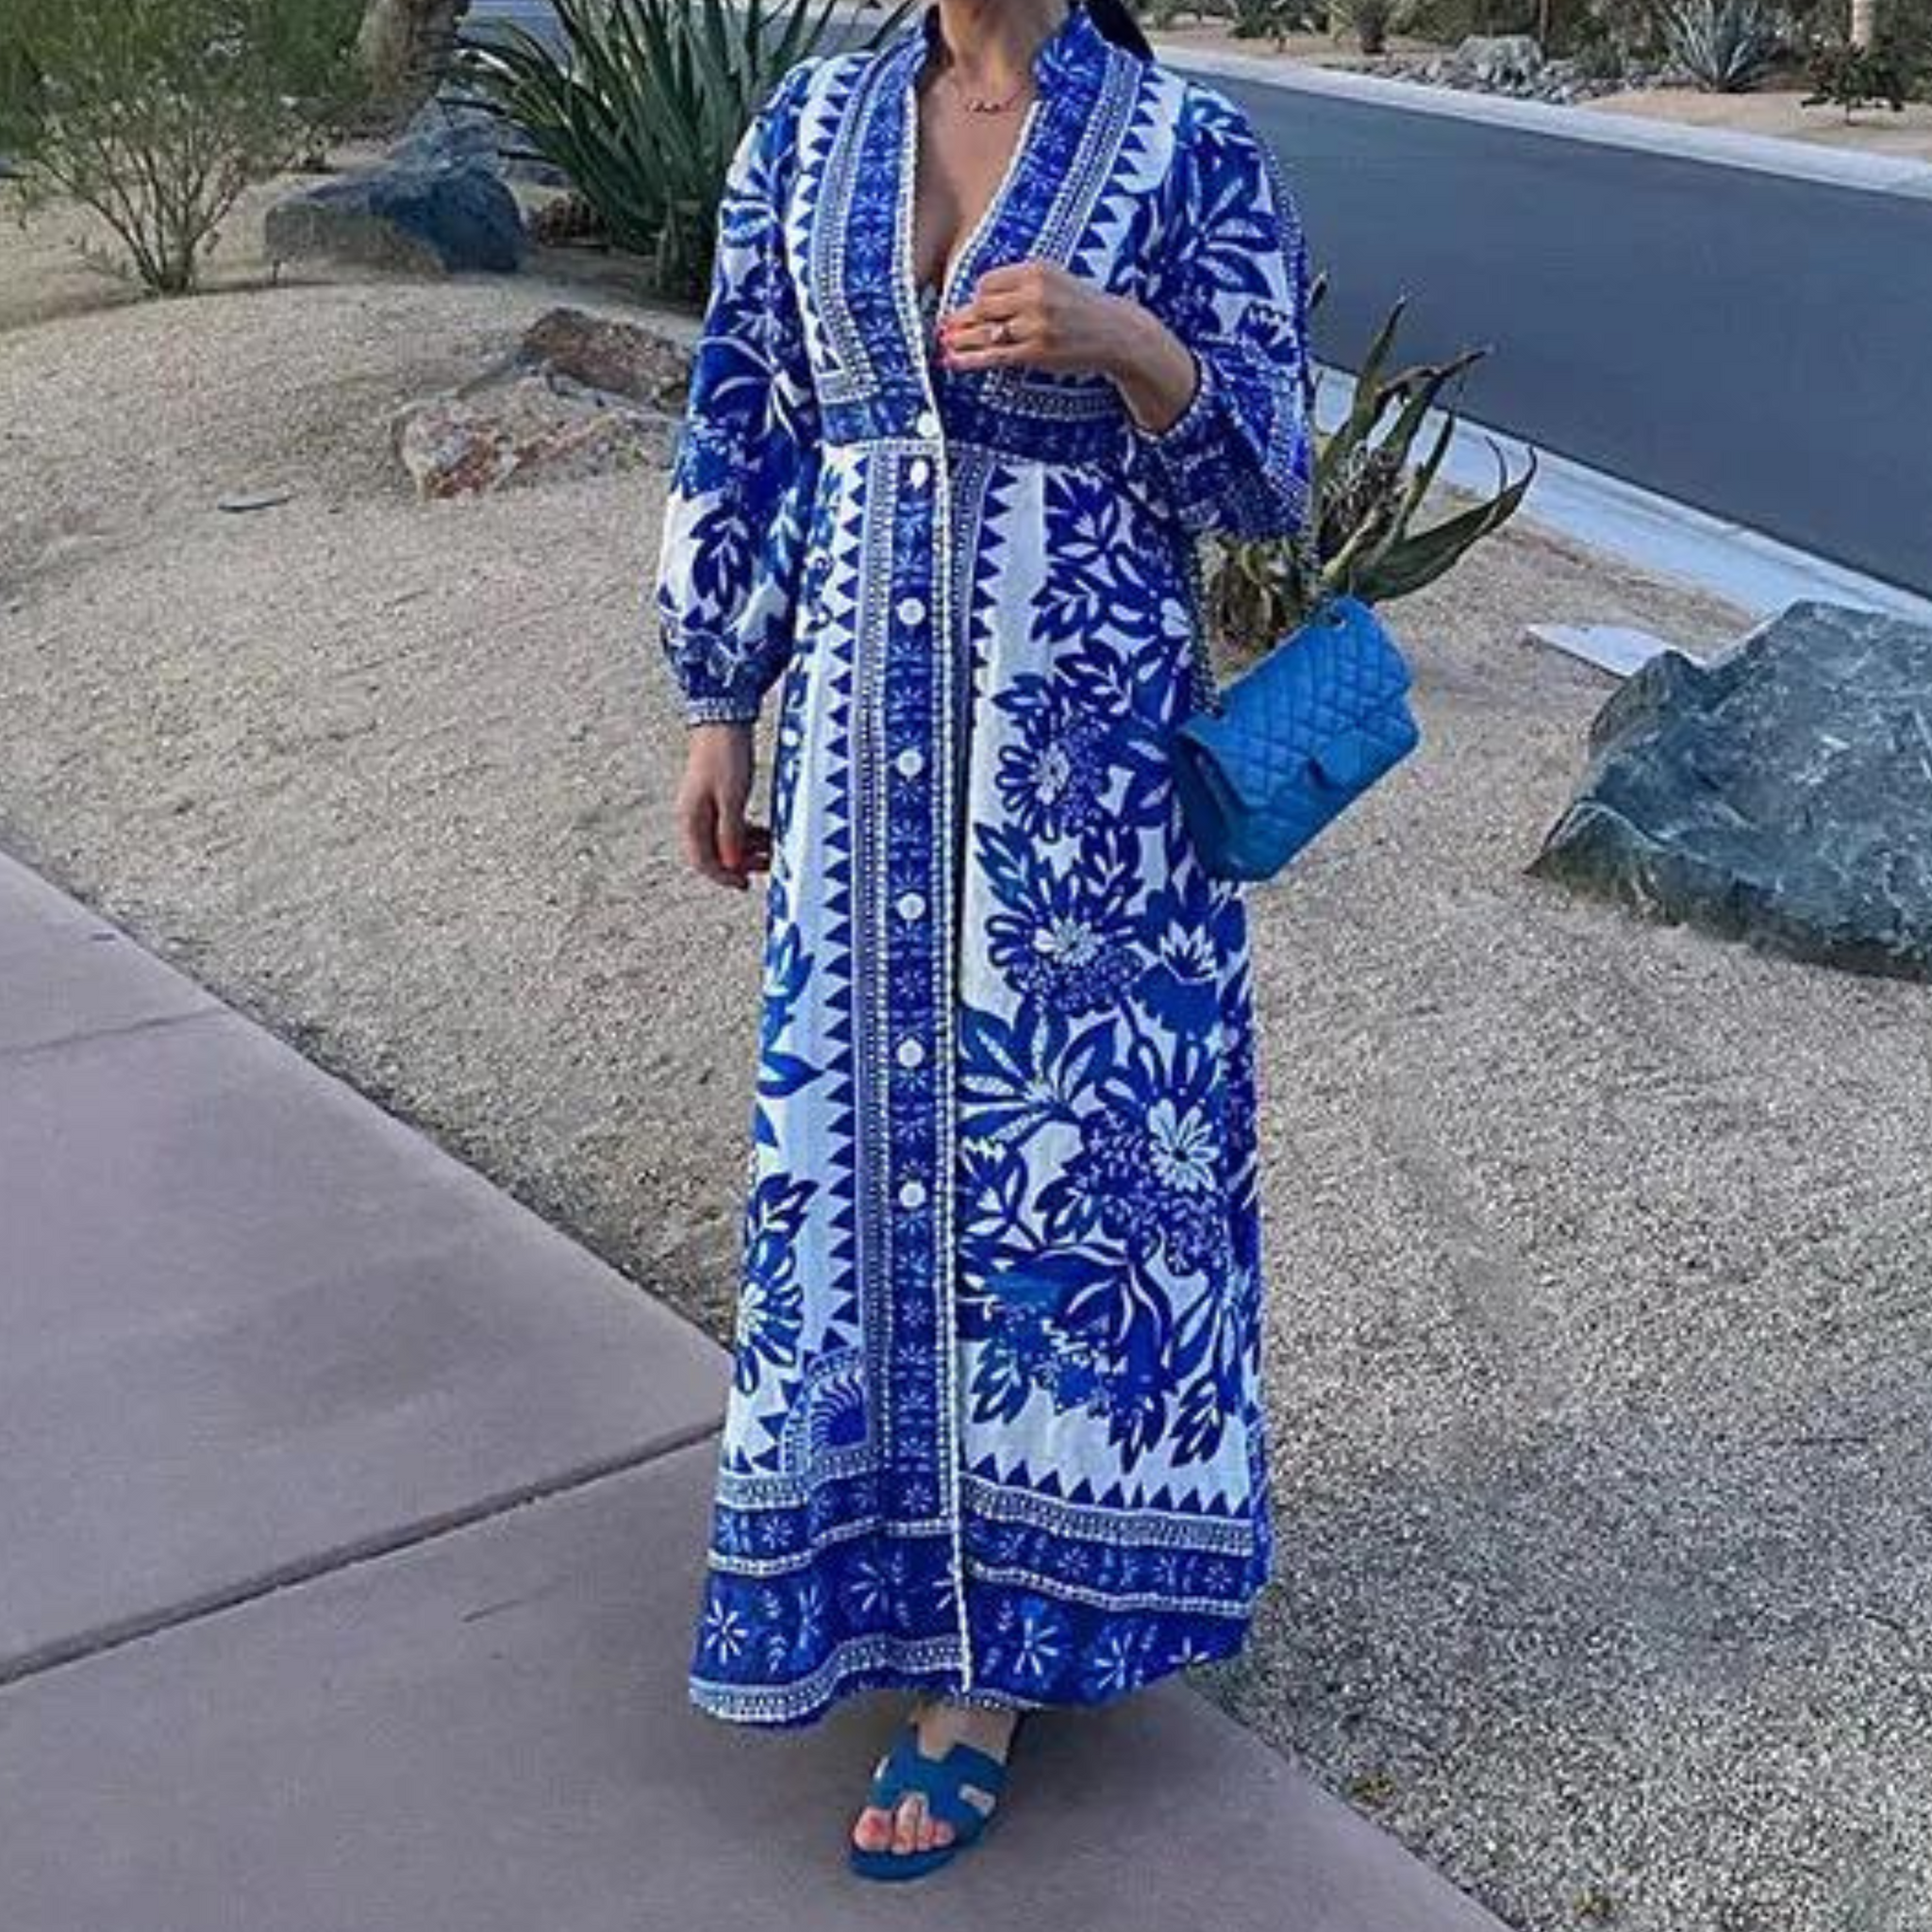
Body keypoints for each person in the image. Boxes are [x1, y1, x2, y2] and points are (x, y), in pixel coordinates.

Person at [652, 0, 1317, 1880]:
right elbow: (747, 409)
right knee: (852, 1166)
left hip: (1084, 768)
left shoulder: (1188, 144)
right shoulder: (809, 126)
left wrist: (1129, 346)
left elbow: (1273, 480)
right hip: (858, 756)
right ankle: (874, 1576)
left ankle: (995, 1663)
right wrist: (718, 697)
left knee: (1064, 1190)